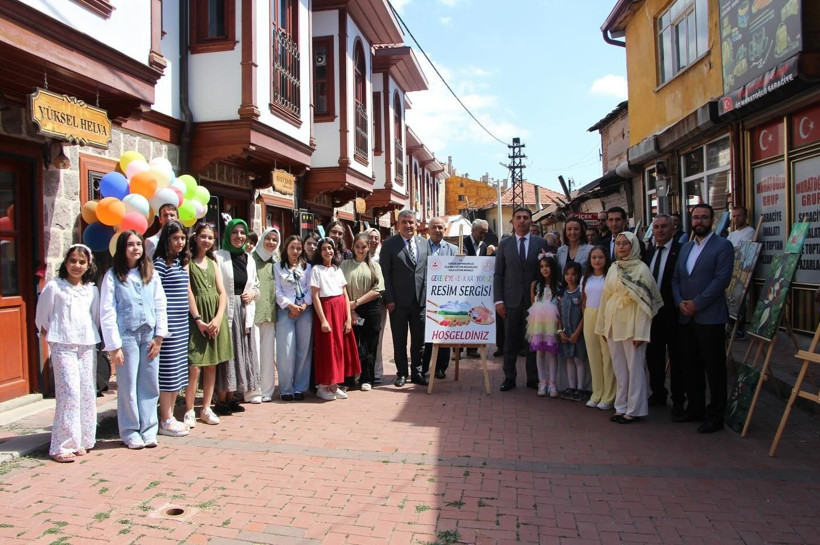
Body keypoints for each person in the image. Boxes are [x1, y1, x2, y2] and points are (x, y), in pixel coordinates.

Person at [100, 231, 168, 449]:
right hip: (127, 336)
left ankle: (149, 429)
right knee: (128, 384)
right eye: (130, 245)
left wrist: (159, 336)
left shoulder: (151, 274)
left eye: (139, 244)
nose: (136, 248)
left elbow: (160, 304)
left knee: (149, 383)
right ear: (122, 249)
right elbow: (107, 311)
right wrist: (113, 345)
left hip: (148, 335)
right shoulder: (113, 276)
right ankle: (129, 430)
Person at [672, 203, 734, 433]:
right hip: (686, 317)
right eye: (696, 217)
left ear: (712, 220)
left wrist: (697, 304)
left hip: (710, 317)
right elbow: (676, 279)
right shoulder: (686, 247)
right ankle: (695, 408)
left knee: (714, 369)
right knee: (690, 366)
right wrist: (680, 302)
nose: (699, 221)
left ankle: (716, 414)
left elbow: (721, 281)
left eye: (704, 218)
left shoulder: (723, 246)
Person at [35, 244, 100, 462]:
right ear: (66, 262)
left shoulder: (91, 289)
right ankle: (61, 446)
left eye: (81, 262)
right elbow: (42, 316)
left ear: (88, 264)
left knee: (86, 392)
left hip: (86, 344)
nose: (77, 265)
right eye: (73, 261)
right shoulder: (55, 287)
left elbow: (95, 317)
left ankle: (80, 440)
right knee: (69, 393)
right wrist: (53, 336)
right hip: (62, 345)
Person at [595, 232, 663, 424]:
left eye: (626, 244)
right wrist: (602, 328)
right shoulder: (614, 268)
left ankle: (634, 409)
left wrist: (642, 332)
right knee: (619, 368)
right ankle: (621, 406)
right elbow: (605, 298)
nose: (622, 247)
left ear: (633, 246)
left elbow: (645, 305)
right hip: (614, 323)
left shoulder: (641, 269)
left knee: (635, 368)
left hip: (633, 324)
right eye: (618, 244)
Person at [494, 206, 546, 391]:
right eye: (518, 217)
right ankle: (509, 377)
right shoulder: (505, 245)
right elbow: (498, 274)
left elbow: (546, 272)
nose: (522, 220)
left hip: (534, 301)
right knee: (510, 342)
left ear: (531, 221)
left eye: (526, 217)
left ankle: (533, 378)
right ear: (513, 222)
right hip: (510, 301)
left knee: (532, 342)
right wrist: (498, 300)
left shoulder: (541, 243)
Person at [185, 222, 230, 426]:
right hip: (197, 318)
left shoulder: (213, 263)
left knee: (211, 363)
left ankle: (206, 407)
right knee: (194, 366)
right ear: (195, 237)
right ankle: (188, 410)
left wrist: (218, 317)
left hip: (214, 316)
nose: (206, 241)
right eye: (203, 236)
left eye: (210, 238)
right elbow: (189, 292)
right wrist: (198, 319)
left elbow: (222, 292)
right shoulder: (188, 262)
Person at [214, 218, 261, 414]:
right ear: (228, 234)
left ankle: (233, 396)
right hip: (226, 311)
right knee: (227, 354)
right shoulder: (218, 256)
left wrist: (253, 294)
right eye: (235, 232)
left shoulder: (249, 259)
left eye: (242, 233)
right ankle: (221, 399)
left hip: (244, 311)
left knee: (242, 354)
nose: (239, 236)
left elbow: (256, 285)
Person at [380, 210, 429, 387]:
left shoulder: (425, 244)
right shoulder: (389, 244)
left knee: (419, 340)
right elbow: (385, 274)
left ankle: (416, 372)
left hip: (420, 301)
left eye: (411, 222)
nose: (408, 226)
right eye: (404, 222)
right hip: (398, 303)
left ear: (416, 224)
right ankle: (401, 373)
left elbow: (428, 271)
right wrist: (389, 299)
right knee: (399, 339)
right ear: (398, 225)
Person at [153, 221, 191, 437]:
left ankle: (171, 416)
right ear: (166, 240)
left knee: (178, 371)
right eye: (175, 238)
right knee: (168, 373)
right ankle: (165, 418)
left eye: (183, 238)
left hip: (181, 324)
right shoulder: (159, 264)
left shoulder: (178, 262)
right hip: (168, 327)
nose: (179, 242)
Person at [310, 238, 361, 400]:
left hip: (340, 311)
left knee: (340, 348)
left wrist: (347, 318)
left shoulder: (338, 270)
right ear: (320, 252)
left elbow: (345, 295)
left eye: (330, 248)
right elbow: (315, 296)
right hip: (327, 311)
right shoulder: (316, 270)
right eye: (324, 249)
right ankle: (323, 386)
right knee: (327, 348)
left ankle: (335, 384)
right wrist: (323, 320)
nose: (328, 252)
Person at [642, 214, 682, 411]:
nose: (660, 230)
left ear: (672, 228)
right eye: (656, 227)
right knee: (654, 356)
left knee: (676, 358)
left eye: (664, 226)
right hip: (652, 314)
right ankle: (658, 393)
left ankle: (678, 400)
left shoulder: (680, 251)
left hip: (673, 313)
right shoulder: (648, 253)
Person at [341, 233, 384, 390]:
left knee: (369, 344)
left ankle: (367, 378)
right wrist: (351, 309)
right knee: (350, 344)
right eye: (357, 246)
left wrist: (357, 303)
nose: (360, 250)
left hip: (369, 308)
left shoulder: (375, 266)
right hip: (349, 307)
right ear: (353, 247)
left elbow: (378, 289)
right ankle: (348, 379)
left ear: (368, 248)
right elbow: (341, 287)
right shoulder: (345, 265)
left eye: (363, 247)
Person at [274, 235, 313, 401]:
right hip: (286, 311)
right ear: (286, 248)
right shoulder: (277, 267)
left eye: (298, 248)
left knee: (303, 350)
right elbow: (276, 290)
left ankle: (299, 387)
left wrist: (304, 305)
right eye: (292, 248)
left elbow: (311, 288)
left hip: (304, 311)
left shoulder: (307, 267)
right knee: (286, 350)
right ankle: (286, 389)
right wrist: (290, 306)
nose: (295, 251)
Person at [422, 217, 458, 378]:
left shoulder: (454, 250)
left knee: (443, 334)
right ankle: (423, 368)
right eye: (434, 227)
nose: (437, 230)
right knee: (425, 335)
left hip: (446, 300)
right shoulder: (421, 248)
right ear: (428, 230)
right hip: (424, 298)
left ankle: (441, 368)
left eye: (440, 228)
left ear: (445, 230)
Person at [581, 246, 615, 410]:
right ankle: (597, 393)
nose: (597, 261)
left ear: (606, 259)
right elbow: (583, 299)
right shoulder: (585, 278)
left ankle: (608, 396)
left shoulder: (610, 277)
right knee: (593, 357)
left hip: (606, 317)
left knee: (607, 357)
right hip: (589, 315)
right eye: (594, 257)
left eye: (600, 257)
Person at [252, 228, 280, 402]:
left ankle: (267, 390)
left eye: (274, 240)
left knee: (268, 353)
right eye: (268, 238)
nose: (271, 242)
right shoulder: (251, 259)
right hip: (254, 312)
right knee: (254, 352)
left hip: (270, 313)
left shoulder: (276, 261)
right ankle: (254, 390)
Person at [527, 254, 560, 397]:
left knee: (552, 353)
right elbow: (532, 304)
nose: (544, 269)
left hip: (552, 323)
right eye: (542, 266)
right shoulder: (536, 285)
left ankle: (552, 384)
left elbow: (560, 306)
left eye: (547, 266)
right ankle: (542, 382)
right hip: (538, 323)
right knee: (540, 352)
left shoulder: (558, 285)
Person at [559, 261, 586, 401]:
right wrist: (560, 331)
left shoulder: (581, 293)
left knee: (579, 360)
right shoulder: (563, 293)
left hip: (578, 334)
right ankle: (572, 386)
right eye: (567, 274)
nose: (570, 277)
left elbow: (584, 315)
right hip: (566, 333)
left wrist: (577, 333)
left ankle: (580, 388)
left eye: (574, 274)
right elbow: (559, 314)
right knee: (569, 359)